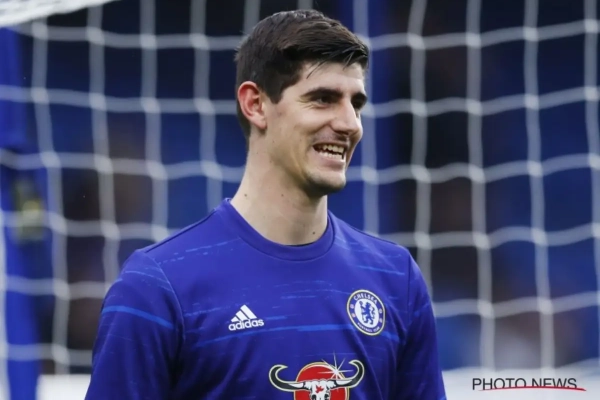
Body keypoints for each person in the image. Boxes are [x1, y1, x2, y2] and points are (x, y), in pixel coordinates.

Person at [85, 9, 446, 400]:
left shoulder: (395, 277)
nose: (349, 124)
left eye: (355, 103)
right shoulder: (158, 286)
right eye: (323, 99)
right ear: (255, 104)